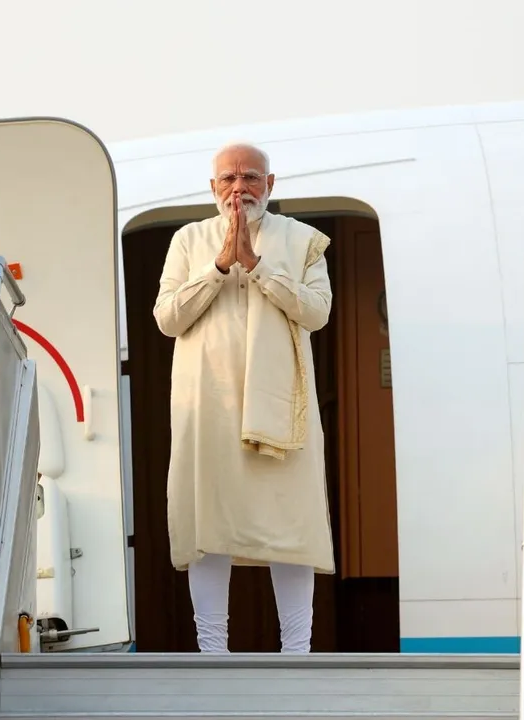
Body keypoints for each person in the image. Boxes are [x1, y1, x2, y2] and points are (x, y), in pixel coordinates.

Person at [153, 142, 335, 654]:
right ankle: (213, 653)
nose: (240, 189)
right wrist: (217, 268)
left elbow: (317, 312)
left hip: (280, 408)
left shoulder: (301, 242)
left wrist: (257, 267)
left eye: (251, 178)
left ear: (270, 185)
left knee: (290, 526)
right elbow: (167, 319)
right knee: (209, 526)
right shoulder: (189, 241)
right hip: (208, 408)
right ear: (213, 189)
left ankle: (297, 652)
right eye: (229, 179)